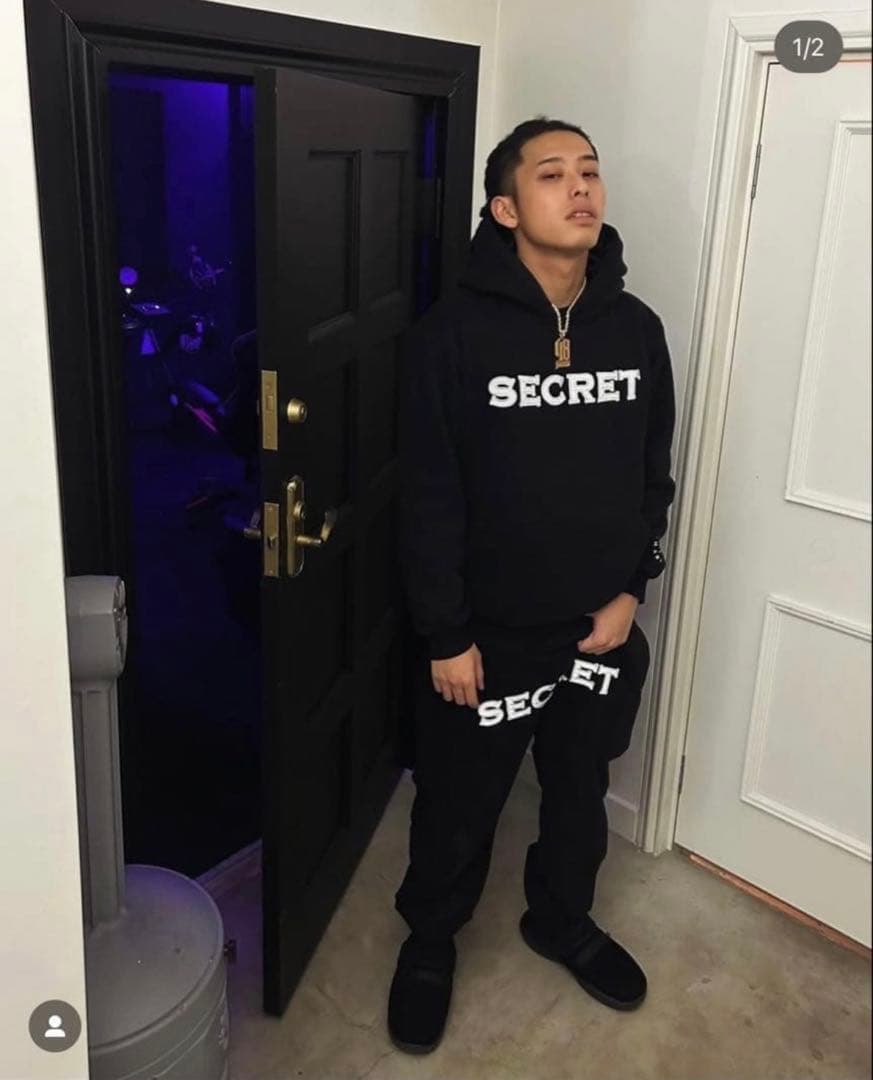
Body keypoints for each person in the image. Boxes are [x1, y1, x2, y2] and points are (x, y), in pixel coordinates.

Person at [389, 115, 677, 1055]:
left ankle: (559, 919)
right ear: (506, 208)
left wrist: (631, 591)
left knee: (577, 794)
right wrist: (445, 634)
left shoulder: (634, 330)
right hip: (487, 636)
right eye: (551, 174)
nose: (580, 187)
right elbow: (427, 497)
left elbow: (650, 477)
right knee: (458, 804)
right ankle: (431, 940)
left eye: (589, 170)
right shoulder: (450, 338)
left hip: (598, 627)